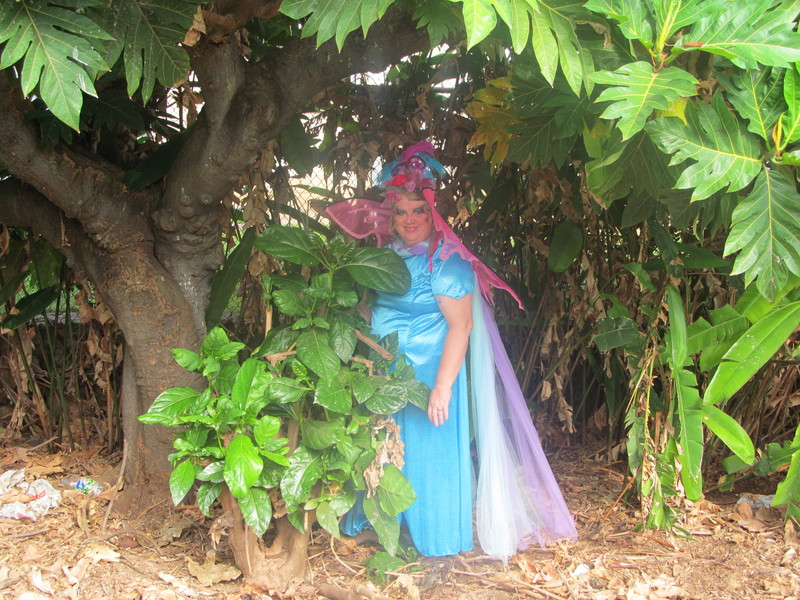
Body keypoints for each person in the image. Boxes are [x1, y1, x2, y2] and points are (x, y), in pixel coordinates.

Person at [327, 141, 577, 561]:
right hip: (383, 371)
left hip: (429, 372)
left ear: (433, 214)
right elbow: (370, 307)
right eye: (401, 212)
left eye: (418, 211)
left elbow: (462, 326)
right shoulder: (384, 257)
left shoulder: (447, 262)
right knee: (380, 444)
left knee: (427, 450)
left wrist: (442, 387)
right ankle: (378, 524)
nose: (409, 220)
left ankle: (435, 531)